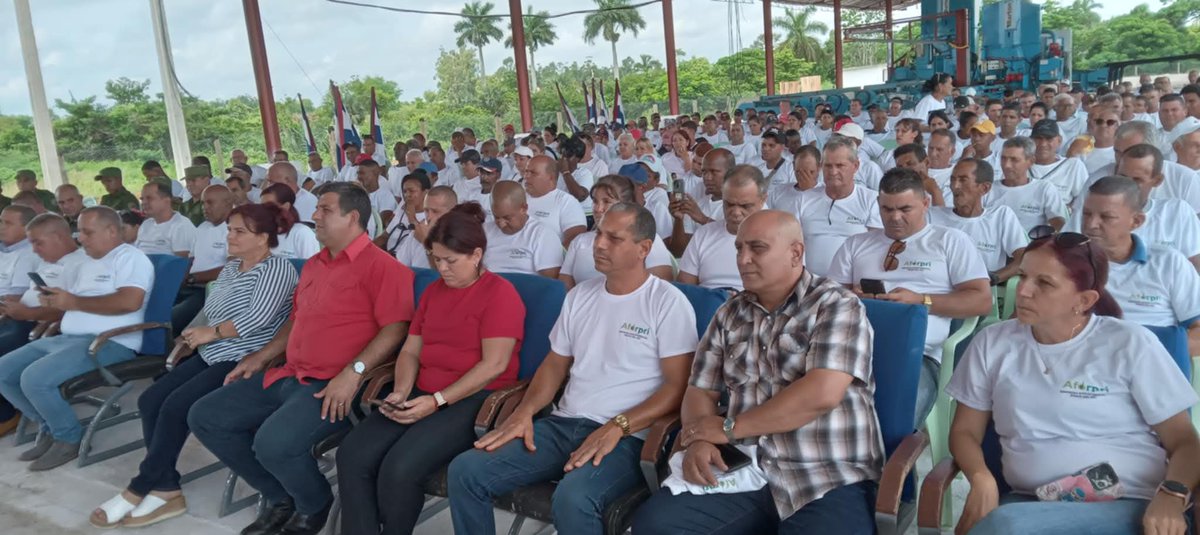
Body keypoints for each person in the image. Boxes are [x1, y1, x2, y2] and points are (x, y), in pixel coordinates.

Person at [448, 202, 698, 534]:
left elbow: (676, 387)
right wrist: (524, 412)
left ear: (644, 249)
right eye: (598, 233)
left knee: (573, 497)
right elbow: (554, 364)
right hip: (564, 424)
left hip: (628, 437)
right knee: (466, 471)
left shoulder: (667, 302)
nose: (599, 244)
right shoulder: (581, 295)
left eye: (614, 238)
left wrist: (617, 426)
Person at [632, 210, 885, 533]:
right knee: (656, 525)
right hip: (744, 465)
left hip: (825, 471)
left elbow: (821, 393)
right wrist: (699, 439)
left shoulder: (836, 305)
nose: (743, 259)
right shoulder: (729, 313)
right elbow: (700, 389)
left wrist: (726, 429)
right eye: (739, 248)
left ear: (795, 253)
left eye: (757, 248)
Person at [188, 182, 415, 535]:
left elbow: (395, 329)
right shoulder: (315, 265)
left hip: (333, 384)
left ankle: (313, 503)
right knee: (206, 416)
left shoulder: (385, 268)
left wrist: (354, 372)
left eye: (324, 209)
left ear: (352, 217)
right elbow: (297, 319)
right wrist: (262, 356)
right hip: (288, 372)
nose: (314, 215)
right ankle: (281, 496)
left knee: (272, 443)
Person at [945, 228, 1200, 535]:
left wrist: (1172, 496)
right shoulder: (992, 343)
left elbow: (1185, 442)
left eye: (1044, 283)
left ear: (1084, 299)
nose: (1023, 291)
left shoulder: (1129, 343)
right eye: (1023, 276)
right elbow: (964, 431)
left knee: (1004, 526)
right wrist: (981, 477)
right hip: (1031, 504)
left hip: (1129, 505)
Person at [88, 203, 299, 529]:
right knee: (150, 400)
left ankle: (140, 486)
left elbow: (258, 319)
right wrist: (192, 337)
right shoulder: (232, 268)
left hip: (244, 356)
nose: (230, 236)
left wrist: (210, 333)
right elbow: (211, 309)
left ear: (264, 237)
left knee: (175, 408)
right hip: (214, 351)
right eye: (229, 229)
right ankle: (166, 485)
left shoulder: (277, 269)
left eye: (239, 231)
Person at [335, 202, 525, 535]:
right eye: (436, 259)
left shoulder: (500, 294)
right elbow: (410, 350)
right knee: (352, 454)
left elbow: (493, 365)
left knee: (400, 466)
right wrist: (402, 389)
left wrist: (436, 400)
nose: (442, 269)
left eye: (451, 261)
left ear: (476, 255)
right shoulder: (435, 292)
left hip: (473, 399)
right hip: (422, 391)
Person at [828, 167, 992, 426]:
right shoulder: (857, 244)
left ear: (925, 204)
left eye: (905, 209)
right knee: (823, 408)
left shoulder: (950, 241)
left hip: (918, 354)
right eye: (887, 209)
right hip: (852, 348)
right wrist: (853, 297)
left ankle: (893, 462)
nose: (894, 217)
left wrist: (921, 301)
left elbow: (981, 300)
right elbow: (830, 296)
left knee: (892, 419)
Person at [0, 207, 154, 471]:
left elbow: (130, 301)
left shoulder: (130, 258)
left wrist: (73, 301)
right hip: (67, 338)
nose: (80, 237)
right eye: (80, 230)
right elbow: (66, 303)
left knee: (34, 379)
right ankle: (52, 429)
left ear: (112, 231)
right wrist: (55, 299)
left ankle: (69, 438)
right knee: (3, 371)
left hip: (109, 343)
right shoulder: (83, 261)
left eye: (87, 232)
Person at [1080, 176, 1200, 355]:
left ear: (1136, 222)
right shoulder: (1068, 262)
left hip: (1155, 363)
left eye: (1106, 217)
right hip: (1084, 365)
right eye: (1087, 214)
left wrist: (1135, 352)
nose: (1091, 224)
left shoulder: (1169, 263)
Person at [0, 213, 86, 436]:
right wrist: (12, 306)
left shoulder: (80, 264)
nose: (35, 250)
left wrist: (25, 313)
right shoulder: (45, 262)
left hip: (38, 327)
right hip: (19, 318)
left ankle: (5, 415)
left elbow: (70, 309)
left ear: (58, 237)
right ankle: (45, 423)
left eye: (38, 243)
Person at [560, 175, 674, 290]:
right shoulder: (579, 241)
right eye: (595, 201)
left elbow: (661, 288)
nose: (598, 209)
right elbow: (565, 288)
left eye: (607, 202)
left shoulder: (647, 239)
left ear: (626, 205)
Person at [794, 138, 883, 276]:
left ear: (855, 166)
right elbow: (793, 242)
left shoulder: (871, 200)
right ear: (821, 166)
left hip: (853, 284)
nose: (833, 172)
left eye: (840, 165)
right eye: (828, 166)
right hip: (809, 283)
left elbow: (877, 248)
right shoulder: (804, 199)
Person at [930, 159, 1028, 282]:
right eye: (952, 179)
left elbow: (1024, 258)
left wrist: (991, 279)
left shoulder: (1001, 216)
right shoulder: (933, 216)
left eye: (963, 180)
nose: (955, 186)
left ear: (984, 188)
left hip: (982, 293)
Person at [678, 165, 768, 291]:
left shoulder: (779, 237)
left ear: (763, 200)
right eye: (729, 204)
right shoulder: (703, 234)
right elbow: (684, 288)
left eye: (745, 206)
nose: (736, 212)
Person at [1114, 144, 1200, 269]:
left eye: (1137, 180)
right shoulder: (1098, 213)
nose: (1127, 185)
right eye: (1122, 178)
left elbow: (1195, 262)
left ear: (1157, 180)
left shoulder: (1177, 211)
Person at [171, 186, 234, 334]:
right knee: (157, 309)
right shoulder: (202, 227)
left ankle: (166, 355)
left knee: (171, 319)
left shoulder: (234, 229)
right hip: (190, 286)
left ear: (228, 203)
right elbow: (191, 259)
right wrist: (182, 279)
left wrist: (194, 278)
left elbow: (232, 268)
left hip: (211, 291)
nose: (205, 207)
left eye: (210, 203)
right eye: (203, 203)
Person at [483, 182, 563, 278]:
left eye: (507, 218)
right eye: (496, 217)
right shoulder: (484, 231)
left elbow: (550, 285)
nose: (501, 224)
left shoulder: (543, 236)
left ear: (524, 208)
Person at [989, 137, 1068, 233]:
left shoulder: (1043, 189)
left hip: (1032, 246)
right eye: (1003, 158)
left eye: (1014, 160)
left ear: (1031, 161)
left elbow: (1060, 224)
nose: (1006, 165)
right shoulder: (988, 189)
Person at [522, 155, 587, 247]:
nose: (526, 176)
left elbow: (575, 240)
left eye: (533, 173)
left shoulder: (567, 202)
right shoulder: (518, 197)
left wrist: (548, 257)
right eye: (526, 171)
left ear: (551, 177)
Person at [1028, 120, 1090, 210]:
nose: (1043, 144)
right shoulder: (1021, 164)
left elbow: (1084, 198)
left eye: (1049, 139)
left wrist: (1067, 211)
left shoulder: (1073, 165)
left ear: (1059, 140)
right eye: (1038, 138)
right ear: (1030, 141)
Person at [395, 186, 455, 269]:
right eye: (426, 210)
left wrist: (426, 242)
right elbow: (400, 267)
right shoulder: (417, 234)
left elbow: (445, 275)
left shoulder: (459, 238)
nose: (429, 217)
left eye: (435, 211)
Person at [259, 183, 320, 260]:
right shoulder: (260, 233)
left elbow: (311, 267)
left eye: (269, 206)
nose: (263, 211)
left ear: (286, 206)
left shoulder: (302, 233)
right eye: (261, 207)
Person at [135, 181, 195, 257]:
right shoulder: (146, 224)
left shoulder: (180, 225)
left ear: (166, 200)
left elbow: (182, 263)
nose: (144, 202)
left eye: (149, 198)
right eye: (142, 199)